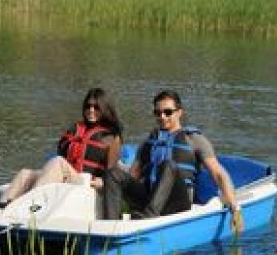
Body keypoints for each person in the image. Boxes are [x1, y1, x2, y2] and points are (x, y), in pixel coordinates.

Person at [103, 89, 244, 233]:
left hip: (178, 203)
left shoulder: (194, 140)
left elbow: (219, 174)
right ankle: (110, 227)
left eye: (168, 112)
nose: (162, 117)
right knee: (113, 173)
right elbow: (133, 175)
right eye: (158, 113)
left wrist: (235, 208)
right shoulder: (148, 142)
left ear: (179, 112)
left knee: (168, 165)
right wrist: (106, 184)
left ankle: (148, 219)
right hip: (149, 198)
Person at [1, 88, 123, 205]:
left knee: (58, 162)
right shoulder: (75, 129)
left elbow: (112, 171)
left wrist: (102, 182)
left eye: (96, 107)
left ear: (105, 109)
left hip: (87, 183)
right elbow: (62, 153)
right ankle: (4, 206)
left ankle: (32, 204)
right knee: (26, 174)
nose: (91, 110)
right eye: (88, 106)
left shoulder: (111, 137)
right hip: (68, 178)